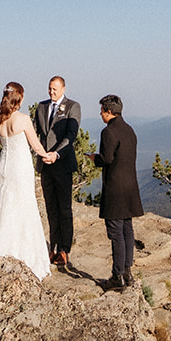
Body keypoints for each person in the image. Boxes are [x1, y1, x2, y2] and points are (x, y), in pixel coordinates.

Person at [0, 81, 53, 279]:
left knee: (6, 204)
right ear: (20, 98)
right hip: (20, 166)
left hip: (5, 165)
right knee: (24, 204)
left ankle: (3, 243)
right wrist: (48, 155)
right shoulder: (23, 119)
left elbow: (2, 143)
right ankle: (23, 251)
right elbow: (35, 145)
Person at [89, 93, 143, 292]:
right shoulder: (130, 130)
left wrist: (96, 159)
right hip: (130, 187)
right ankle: (127, 272)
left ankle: (117, 276)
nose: (100, 114)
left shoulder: (108, 132)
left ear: (109, 112)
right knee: (127, 230)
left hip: (115, 189)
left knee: (116, 233)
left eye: (102, 111)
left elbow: (107, 158)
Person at [34, 75, 81, 268]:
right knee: (50, 208)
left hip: (62, 164)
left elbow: (71, 136)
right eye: (49, 89)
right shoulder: (41, 107)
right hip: (45, 165)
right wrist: (39, 153)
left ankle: (64, 250)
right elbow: (36, 131)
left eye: (55, 89)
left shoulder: (72, 107)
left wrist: (56, 154)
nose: (51, 92)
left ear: (63, 89)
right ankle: (52, 247)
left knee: (64, 209)